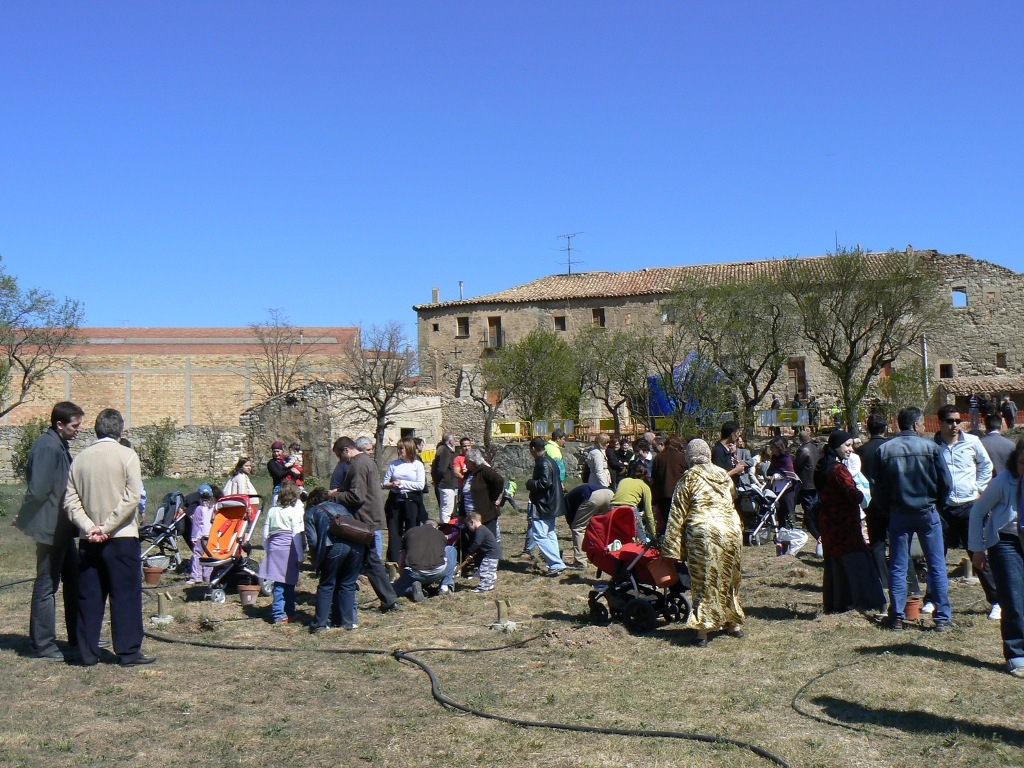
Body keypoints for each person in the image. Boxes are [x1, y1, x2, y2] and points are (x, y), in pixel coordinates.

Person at [64, 408, 153, 666]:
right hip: (122, 536)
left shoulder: (79, 459)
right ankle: (128, 651)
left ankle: (87, 652)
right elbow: (132, 497)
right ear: (120, 430)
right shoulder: (127, 456)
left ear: (96, 429)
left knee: (89, 596)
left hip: (88, 539)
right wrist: (107, 527)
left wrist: (89, 526)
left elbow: (71, 501)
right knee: (125, 595)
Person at [873, 407, 954, 631]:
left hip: (899, 513)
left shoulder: (885, 449)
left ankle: (897, 616)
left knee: (898, 565)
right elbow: (945, 482)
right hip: (927, 512)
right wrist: (938, 503)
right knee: (936, 565)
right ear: (917, 424)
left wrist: (887, 508)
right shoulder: (931, 448)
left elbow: (877, 487)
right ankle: (942, 618)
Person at [15, 401, 84, 661]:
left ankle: (79, 637)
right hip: (50, 529)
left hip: (63, 528)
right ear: (59, 424)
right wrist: (24, 517)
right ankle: (42, 645)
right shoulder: (46, 447)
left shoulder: (58, 444)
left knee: (74, 580)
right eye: (75, 426)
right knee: (47, 585)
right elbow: (39, 490)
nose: (78, 430)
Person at [662, 439, 744, 647]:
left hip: (704, 531)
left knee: (704, 580)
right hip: (731, 529)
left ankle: (703, 632)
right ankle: (733, 623)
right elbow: (731, 499)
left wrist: (671, 547)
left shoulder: (688, 478)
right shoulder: (723, 476)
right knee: (729, 577)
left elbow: (677, 513)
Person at [934, 404, 997, 620]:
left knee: (977, 553)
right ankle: (932, 599)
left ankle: (996, 600)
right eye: (950, 421)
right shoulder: (933, 446)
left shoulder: (972, 442)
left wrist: (979, 489)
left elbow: (986, 465)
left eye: (958, 421)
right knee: (936, 555)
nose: (955, 425)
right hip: (943, 507)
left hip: (969, 505)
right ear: (940, 422)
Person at [969, 439, 1024, 677]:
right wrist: (977, 548)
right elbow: (978, 511)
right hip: (1006, 541)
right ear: (1015, 461)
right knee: (1013, 598)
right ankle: (1016, 654)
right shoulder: (1003, 481)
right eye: (1023, 462)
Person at [815, 430, 886, 614]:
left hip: (829, 524)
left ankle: (835, 604)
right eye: (847, 445)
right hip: (845, 525)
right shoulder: (838, 470)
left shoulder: (822, 466)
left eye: (851, 445)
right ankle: (863, 601)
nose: (850, 449)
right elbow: (853, 495)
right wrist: (864, 492)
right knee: (856, 562)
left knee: (834, 564)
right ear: (836, 446)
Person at [329, 436, 401, 612]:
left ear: (346, 450)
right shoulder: (365, 462)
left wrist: (333, 495)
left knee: (368, 561)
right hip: (368, 517)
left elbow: (357, 497)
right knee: (368, 560)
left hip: (364, 519)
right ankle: (387, 599)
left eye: (340, 456)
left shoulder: (358, 465)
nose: (341, 460)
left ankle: (387, 600)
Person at [303, 488, 363, 631]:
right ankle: (348, 622)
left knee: (327, 584)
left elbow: (313, 541)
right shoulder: (342, 507)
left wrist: (317, 562)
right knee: (348, 584)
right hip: (357, 546)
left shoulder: (311, 512)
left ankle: (321, 624)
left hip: (334, 546)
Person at [258, 481, 305, 624]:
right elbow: (296, 536)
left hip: (274, 548)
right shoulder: (294, 512)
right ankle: (286, 612)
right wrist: (301, 555)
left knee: (278, 581)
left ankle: (279, 612)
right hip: (288, 549)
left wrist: (267, 547)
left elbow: (265, 532)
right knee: (289, 582)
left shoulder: (272, 511)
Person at [857, 413, 893, 590]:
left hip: (871, 501)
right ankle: (901, 579)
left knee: (877, 543)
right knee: (897, 542)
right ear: (885, 428)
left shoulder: (861, 451)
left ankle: (882, 581)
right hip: (892, 501)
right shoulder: (891, 447)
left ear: (868, 429)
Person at [525, 436, 568, 577]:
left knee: (539, 535)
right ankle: (555, 563)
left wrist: (530, 483)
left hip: (543, 504)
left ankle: (556, 563)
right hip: (551, 503)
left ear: (533, 449)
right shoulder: (550, 461)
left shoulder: (543, 462)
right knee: (549, 533)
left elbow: (544, 482)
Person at [382, 437, 426, 563]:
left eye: (401, 448)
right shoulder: (394, 464)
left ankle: (411, 558)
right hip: (395, 500)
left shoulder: (417, 465)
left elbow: (420, 485)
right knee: (394, 531)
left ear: (408, 449)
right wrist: (391, 485)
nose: (399, 451)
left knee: (411, 530)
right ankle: (393, 560)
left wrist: (402, 483)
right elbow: (385, 482)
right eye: (398, 448)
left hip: (411, 501)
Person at [392, 520, 457, 601]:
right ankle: (445, 586)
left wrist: (402, 574)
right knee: (450, 549)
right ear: (437, 528)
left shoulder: (410, 532)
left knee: (394, 590)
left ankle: (411, 590)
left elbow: (402, 555)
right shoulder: (440, 534)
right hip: (438, 571)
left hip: (415, 573)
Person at [564, 481, 614, 569]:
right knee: (605, 527)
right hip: (610, 493)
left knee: (577, 529)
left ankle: (580, 562)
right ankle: (609, 555)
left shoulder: (566, 500)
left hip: (594, 496)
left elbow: (572, 520)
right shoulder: (575, 494)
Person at [461, 448, 505, 540]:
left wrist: (492, 497)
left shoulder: (485, 471)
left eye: (466, 461)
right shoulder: (468, 474)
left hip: (485, 515)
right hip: (470, 516)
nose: (464, 463)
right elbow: (464, 494)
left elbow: (499, 480)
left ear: (472, 462)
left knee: (487, 540)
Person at [610, 463, 657, 544]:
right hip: (629, 511)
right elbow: (648, 514)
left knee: (618, 538)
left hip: (612, 510)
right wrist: (654, 536)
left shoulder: (623, 481)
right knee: (642, 539)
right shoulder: (644, 486)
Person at [651, 436, 688, 529]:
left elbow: (653, 478)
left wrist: (654, 500)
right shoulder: (682, 457)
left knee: (667, 524)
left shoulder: (658, 457)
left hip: (662, 496)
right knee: (679, 524)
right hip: (678, 495)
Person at [793, 427, 821, 547]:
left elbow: (797, 465)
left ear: (800, 439)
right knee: (813, 504)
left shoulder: (803, 449)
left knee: (809, 507)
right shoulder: (814, 448)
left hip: (806, 482)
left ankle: (814, 527)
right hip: (814, 481)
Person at [465, 511, 501, 592]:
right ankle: (489, 585)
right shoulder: (483, 529)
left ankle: (483, 587)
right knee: (490, 571)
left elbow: (477, 543)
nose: (469, 528)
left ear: (472, 522)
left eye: (469, 526)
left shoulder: (480, 530)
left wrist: (469, 552)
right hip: (494, 553)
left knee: (484, 570)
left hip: (491, 553)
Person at [766, 437, 797, 530]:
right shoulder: (775, 458)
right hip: (777, 488)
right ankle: (782, 530)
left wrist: (776, 476)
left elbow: (790, 473)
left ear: (778, 447)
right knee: (780, 512)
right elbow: (771, 470)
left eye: (773, 447)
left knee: (788, 510)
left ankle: (791, 530)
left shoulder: (786, 459)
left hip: (787, 489)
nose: (771, 450)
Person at [186, 485, 215, 584]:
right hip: (211, 536)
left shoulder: (199, 509)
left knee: (197, 555)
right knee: (209, 556)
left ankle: (196, 576)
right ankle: (208, 576)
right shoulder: (214, 509)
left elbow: (196, 525)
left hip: (201, 537)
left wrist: (194, 537)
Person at [431, 433, 459, 523]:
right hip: (446, 484)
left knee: (447, 508)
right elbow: (442, 469)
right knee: (447, 510)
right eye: (453, 440)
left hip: (446, 484)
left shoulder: (444, 450)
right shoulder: (446, 451)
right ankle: (446, 528)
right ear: (451, 441)